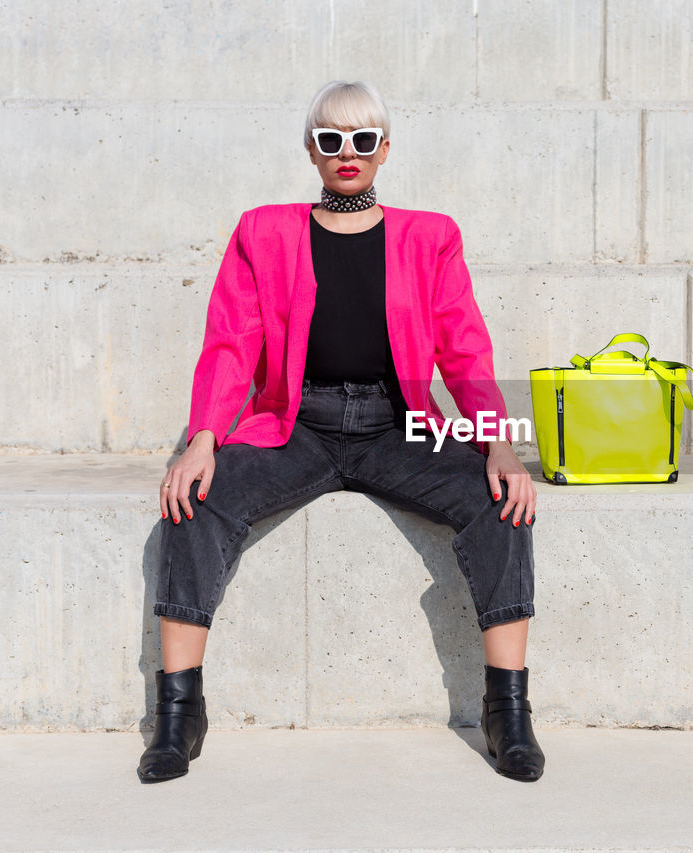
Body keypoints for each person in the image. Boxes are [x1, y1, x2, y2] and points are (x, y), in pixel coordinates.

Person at [137, 80, 544, 784]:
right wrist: (202, 435)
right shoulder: (264, 232)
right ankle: (179, 713)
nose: (346, 152)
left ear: (384, 149)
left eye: (362, 139)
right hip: (299, 426)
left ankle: (508, 711)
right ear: (311, 151)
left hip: (397, 425)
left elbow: (464, 347)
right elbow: (231, 341)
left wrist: (497, 441)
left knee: (500, 502)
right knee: (193, 500)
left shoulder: (430, 236)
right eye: (330, 139)